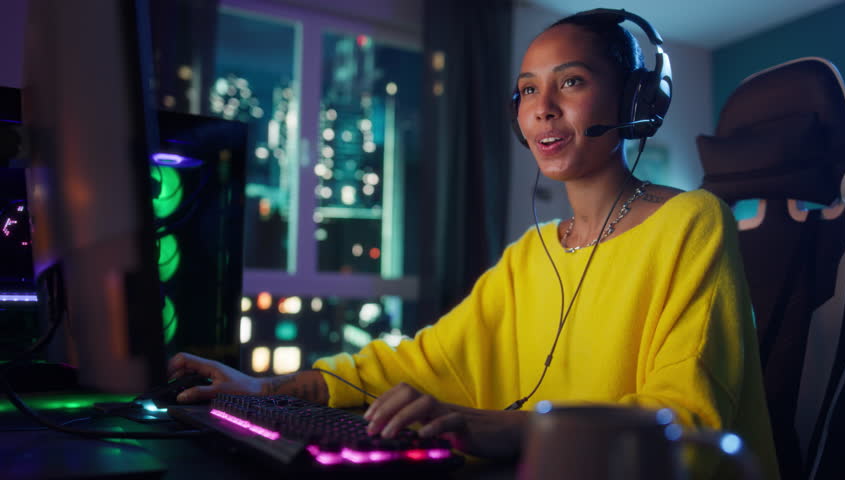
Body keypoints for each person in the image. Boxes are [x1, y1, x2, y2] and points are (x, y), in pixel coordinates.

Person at [168, 10, 780, 478]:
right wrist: (264, 388)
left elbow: (688, 422)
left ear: (636, 100)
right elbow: (416, 363)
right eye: (527, 90)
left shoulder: (691, 222)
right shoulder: (531, 254)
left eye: (571, 82)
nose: (543, 108)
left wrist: (505, 429)